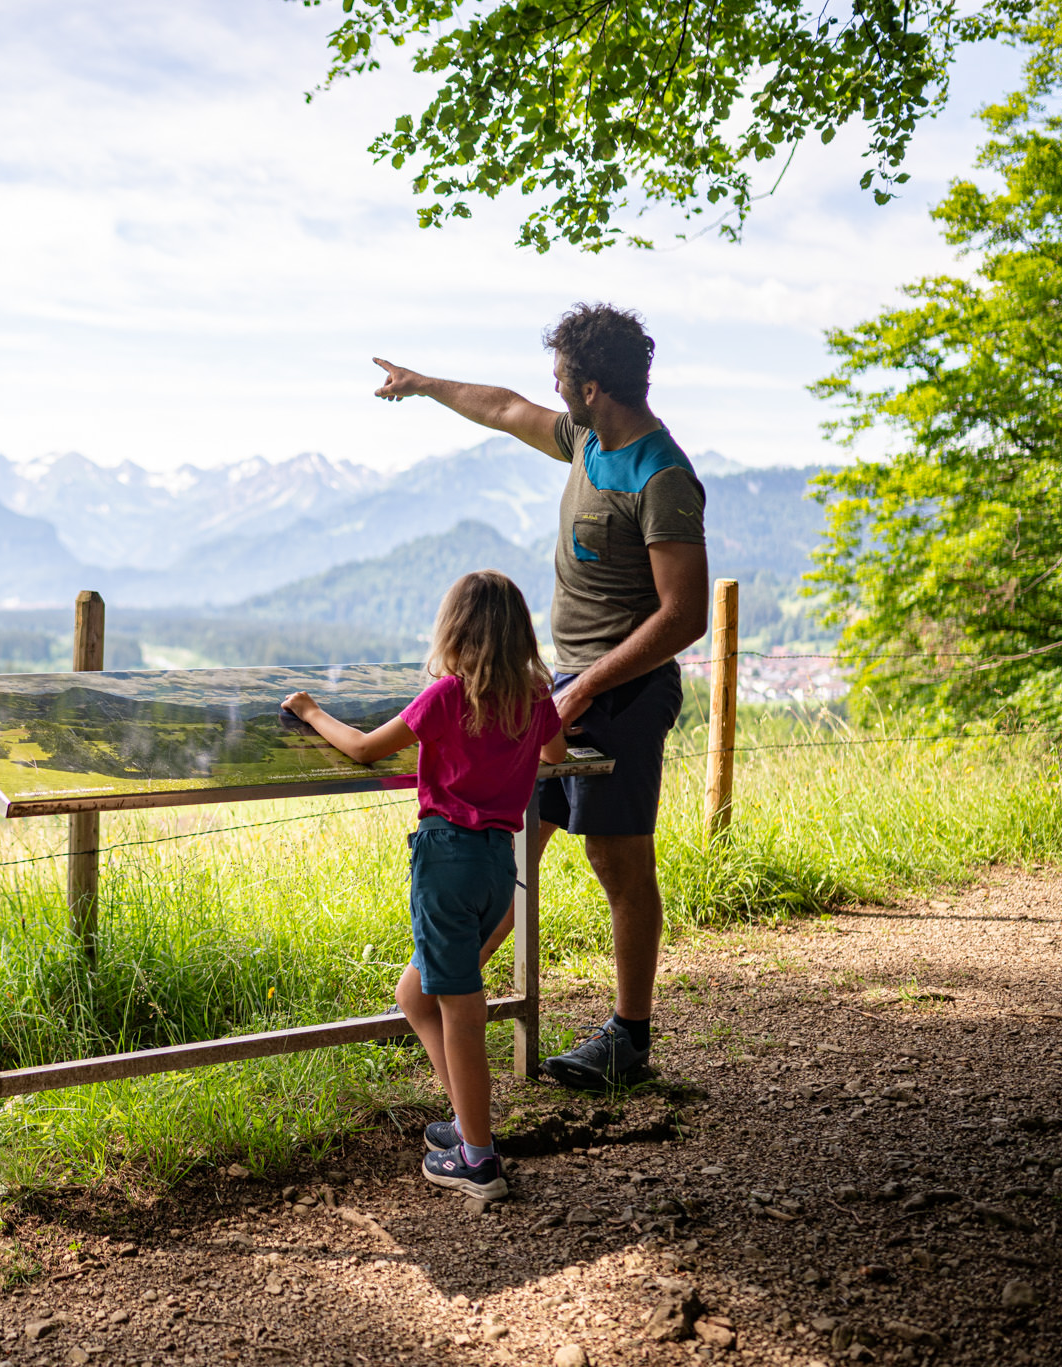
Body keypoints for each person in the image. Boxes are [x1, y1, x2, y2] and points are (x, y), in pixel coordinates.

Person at [370, 303, 710, 1089]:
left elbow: (684, 613)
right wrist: (424, 385)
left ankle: (630, 1036)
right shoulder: (585, 437)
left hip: (623, 695)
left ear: (594, 386)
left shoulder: (662, 478)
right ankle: (435, 991)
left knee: (616, 858)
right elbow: (503, 408)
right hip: (563, 690)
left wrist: (586, 684)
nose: (551, 391)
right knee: (515, 843)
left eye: (561, 380)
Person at [282, 570, 564, 1199]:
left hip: (445, 862)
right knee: (416, 996)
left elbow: (362, 749)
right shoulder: (534, 702)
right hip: (499, 866)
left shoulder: (445, 699)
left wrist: (309, 709)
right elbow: (556, 756)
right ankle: (470, 1126)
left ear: (455, 633)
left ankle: (480, 1160)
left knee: (461, 1013)